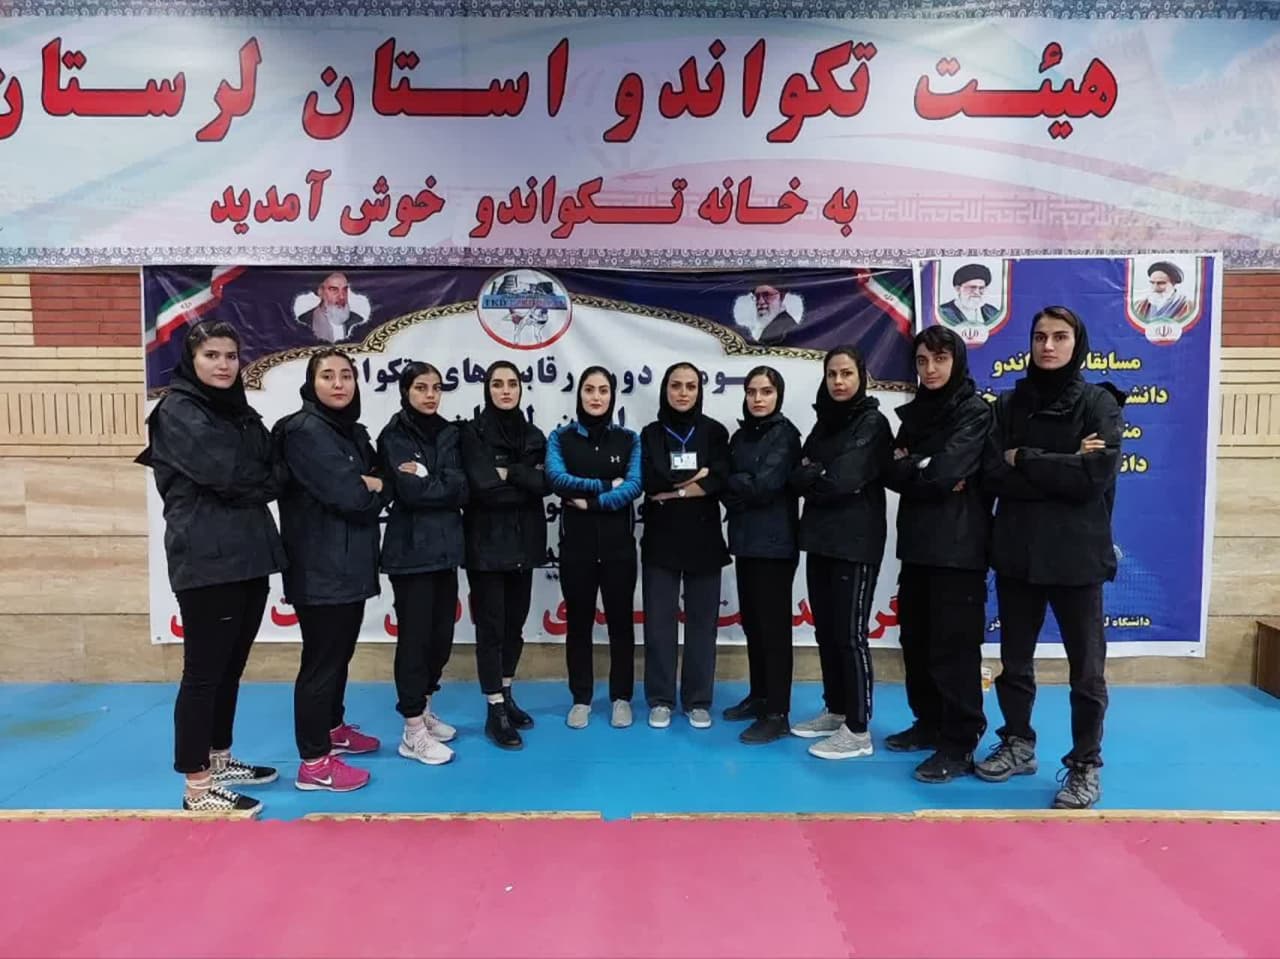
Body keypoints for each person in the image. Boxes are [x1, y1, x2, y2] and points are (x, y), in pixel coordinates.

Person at [978, 305, 1124, 810]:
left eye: (1059, 337)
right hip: (1018, 553)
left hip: (1078, 557)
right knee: (1014, 662)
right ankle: (1018, 743)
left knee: (1087, 671)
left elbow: (1094, 477)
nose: (1048, 346)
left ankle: (1085, 765)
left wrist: (1027, 456)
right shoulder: (1008, 404)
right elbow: (992, 474)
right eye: (1040, 336)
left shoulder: (1099, 403)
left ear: (1076, 342)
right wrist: (1066, 462)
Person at [138, 320, 286, 816]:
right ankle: (197, 787)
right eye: (212, 356)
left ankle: (219, 760)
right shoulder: (177, 410)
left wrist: (260, 480)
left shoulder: (237, 410)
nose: (223, 365)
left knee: (230, 667)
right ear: (191, 359)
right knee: (203, 674)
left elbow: (271, 470)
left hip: (248, 554)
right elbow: (230, 474)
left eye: (230, 356)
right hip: (207, 559)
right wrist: (260, 480)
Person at [883, 327, 992, 783]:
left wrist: (919, 465)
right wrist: (922, 467)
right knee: (917, 642)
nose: (930, 369)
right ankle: (928, 723)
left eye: (940, 359)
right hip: (918, 547)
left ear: (957, 361)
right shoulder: (916, 413)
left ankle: (959, 742)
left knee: (954, 650)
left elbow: (946, 472)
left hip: (959, 551)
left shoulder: (975, 411)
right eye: (922, 361)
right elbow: (891, 470)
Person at [276, 349, 387, 793]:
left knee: (339, 656)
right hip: (320, 568)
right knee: (321, 663)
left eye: (346, 376)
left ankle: (332, 729)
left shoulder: (350, 431)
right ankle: (314, 762)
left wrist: (374, 484)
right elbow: (353, 497)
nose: (338, 384)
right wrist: (369, 486)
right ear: (312, 382)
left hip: (349, 566)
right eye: (328, 376)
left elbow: (384, 480)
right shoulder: (304, 431)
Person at [789, 346, 892, 759]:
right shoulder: (825, 422)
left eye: (846, 373)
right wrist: (817, 473)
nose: (838, 382)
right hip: (819, 539)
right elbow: (798, 475)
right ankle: (836, 709)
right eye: (832, 374)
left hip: (856, 543)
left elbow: (843, 479)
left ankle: (859, 729)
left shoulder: (873, 422)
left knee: (850, 635)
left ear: (860, 376)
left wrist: (817, 473)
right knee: (826, 630)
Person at [377, 362, 465, 767]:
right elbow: (410, 492)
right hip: (410, 554)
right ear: (406, 391)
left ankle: (425, 710)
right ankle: (412, 731)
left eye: (436, 388)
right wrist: (438, 481)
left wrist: (430, 476)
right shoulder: (393, 435)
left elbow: (463, 486)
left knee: (440, 638)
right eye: (421, 388)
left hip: (446, 551)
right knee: (414, 641)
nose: (430, 395)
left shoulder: (451, 432)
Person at [545, 366, 642, 729]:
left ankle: (621, 698)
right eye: (589, 389)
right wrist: (605, 484)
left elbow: (633, 486)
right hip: (576, 549)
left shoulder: (629, 440)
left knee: (621, 625)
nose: (596, 397)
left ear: (612, 396)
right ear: (580, 394)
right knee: (578, 625)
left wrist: (592, 502)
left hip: (619, 550)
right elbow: (557, 479)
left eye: (603, 390)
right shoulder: (560, 438)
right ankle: (581, 698)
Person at [460, 360, 550, 750]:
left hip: (524, 545)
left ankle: (507, 693)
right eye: (497, 384)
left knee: (515, 626)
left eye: (512, 383)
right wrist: (522, 478)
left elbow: (544, 483)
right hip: (485, 546)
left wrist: (507, 473)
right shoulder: (472, 433)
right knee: (491, 629)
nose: (505, 390)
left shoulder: (533, 434)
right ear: (487, 389)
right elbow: (481, 485)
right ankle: (494, 708)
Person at [640, 362, 731, 730]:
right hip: (661, 539)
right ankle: (661, 699)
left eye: (690, 386)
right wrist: (698, 477)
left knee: (702, 625)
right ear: (665, 389)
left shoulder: (715, 432)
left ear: (699, 391)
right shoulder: (650, 433)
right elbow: (652, 479)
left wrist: (674, 490)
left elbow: (720, 479)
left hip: (704, 540)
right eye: (676, 385)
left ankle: (697, 700)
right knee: (659, 624)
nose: (683, 393)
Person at [721, 366, 802, 744]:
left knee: (774, 631)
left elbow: (765, 486)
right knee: (753, 624)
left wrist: (739, 484)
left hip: (774, 547)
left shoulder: (785, 435)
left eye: (766, 392)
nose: (758, 399)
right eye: (752, 391)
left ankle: (777, 713)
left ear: (777, 395)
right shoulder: (741, 436)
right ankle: (759, 696)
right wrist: (740, 485)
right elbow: (726, 484)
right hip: (745, 543)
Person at [298, 272, 370, 343]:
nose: (341, 297)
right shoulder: (304, 322)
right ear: (320, 292)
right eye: (334, 290)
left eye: (344, 290)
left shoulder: (358, 322)